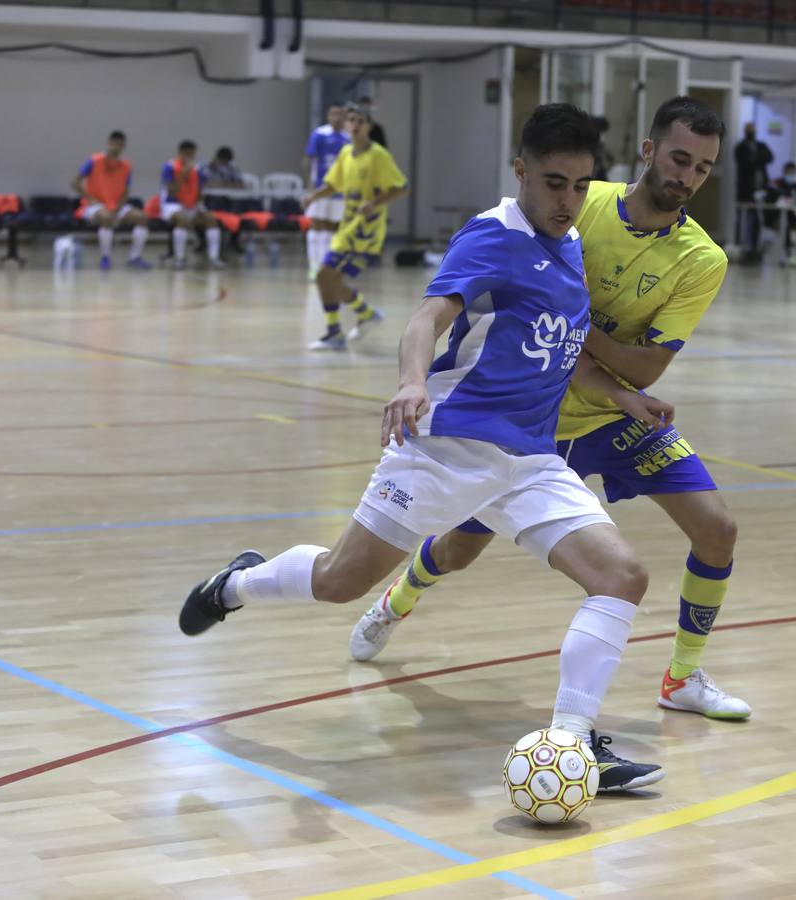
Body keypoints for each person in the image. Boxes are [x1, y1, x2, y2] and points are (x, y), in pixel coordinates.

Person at [179, 103, 669, 791]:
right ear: (522, 170)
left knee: (622, 577)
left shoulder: (570, 247)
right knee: (339, 582)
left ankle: (573, 743)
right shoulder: (492, 236)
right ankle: (234, 583)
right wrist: (412, 380)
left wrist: (621, 395)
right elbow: (428, 317)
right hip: (446, 448)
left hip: (528, 461)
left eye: (582, 186)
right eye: (555, 183)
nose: (569, 200)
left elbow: (558, 348)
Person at [349, 96, 751, 722]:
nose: (687, 177)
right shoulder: (579, 202)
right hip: (530, 419)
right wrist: (564, 319)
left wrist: (569, 319)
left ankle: (682, 677)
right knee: (457, 550)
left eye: (703, 168)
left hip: (618, 411)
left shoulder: (703, 258)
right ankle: (396, 600)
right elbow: (496, 277)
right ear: (648, 152)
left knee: (717, 529)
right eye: (679, 159)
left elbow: (645, 368)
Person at [303, 106, 408, 350]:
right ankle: (365, 315)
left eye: (360, 120)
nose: (355, 124)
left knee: (324, 276)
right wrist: (313, 196)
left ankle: (336, 332)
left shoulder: (378, 155)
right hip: (347, 229)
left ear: (369, 126)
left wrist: (374, 203)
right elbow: (332, 184)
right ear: (347, 125)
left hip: (366, 234)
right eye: (352, 120)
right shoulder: (346, 153)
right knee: (330, 281)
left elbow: (400, 187)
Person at [71, 130, 152, 271]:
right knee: (106, 217)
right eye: (114, 143)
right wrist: (90, 199)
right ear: (108, 143)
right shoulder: (94, 160)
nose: (116, 147)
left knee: (142, 217)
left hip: (116, 205)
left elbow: (126, 192)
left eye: (120, 144)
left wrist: (119, 207)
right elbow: (74, 182)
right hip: (94, 205)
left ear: (123, 146)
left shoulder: (127, 165)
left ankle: (134, 257)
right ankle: (105, 257)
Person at [159, 140, 225, 269]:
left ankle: (213, 258)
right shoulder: (169, 167)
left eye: (192, 154)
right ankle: (180, 258)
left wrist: (200, 202)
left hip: (192, 205)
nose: (189, 158)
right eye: (186, 154)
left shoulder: (198, 169)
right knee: (182, 219)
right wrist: (183, 174)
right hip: (173, 205)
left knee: (211, 219)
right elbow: (171, 192)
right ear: (180, 154)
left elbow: (200, 192)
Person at [304, 104, 351, 278]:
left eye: (339, 114)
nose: (336, 117)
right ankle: (313, 267)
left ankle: (327, 266)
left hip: (341, 191)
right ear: (328, 115)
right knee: (317, 226)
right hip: (321, 188)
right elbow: (310, 160)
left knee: (333, 228)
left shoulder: (348, 138)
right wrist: (310, 185)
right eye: (333, 114)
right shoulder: (319, 134)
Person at [733, 122, 773, 260]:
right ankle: (739, 246)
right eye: (750, 130)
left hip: (761, 190)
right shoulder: (741, 147)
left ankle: (755, 247)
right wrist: (757, 158)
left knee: (757, 220)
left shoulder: (761, 145)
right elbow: (746, 163)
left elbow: (769, 157)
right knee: (742, 219)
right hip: (745, 190)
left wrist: (756, 158)